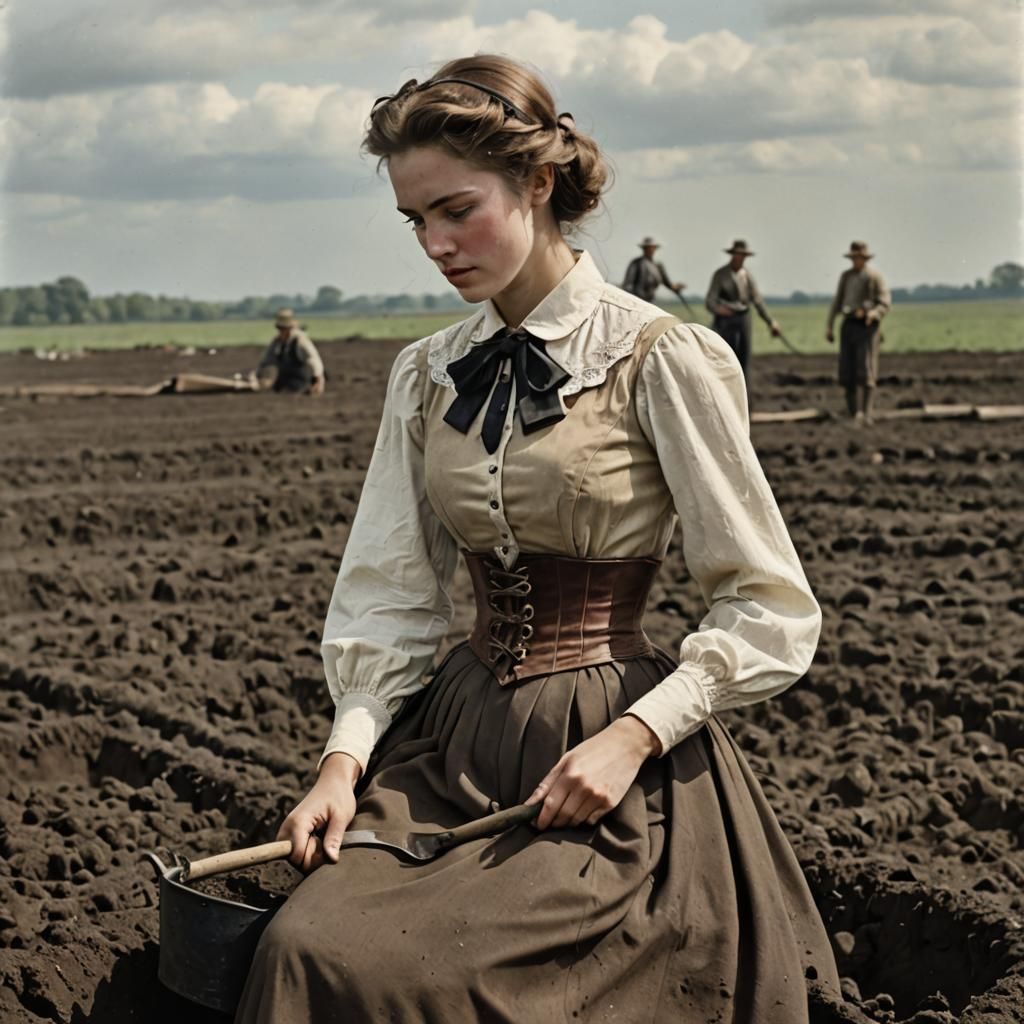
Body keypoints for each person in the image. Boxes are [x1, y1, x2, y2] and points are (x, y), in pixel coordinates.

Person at [237, 55, 840, 1023]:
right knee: (306, 946)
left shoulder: (660, 356)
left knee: (427, 978)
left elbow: (767, 603)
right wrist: (342, 764)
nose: (435, 242)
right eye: (414, 220)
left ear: (538, 183)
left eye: (456, 209)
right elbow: (390, 591)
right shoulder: (427, 374)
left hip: (609, 753)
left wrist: (632, 737)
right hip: (456, 740)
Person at [826, 241, 891, 424]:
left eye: (859, 258)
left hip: (867, 327)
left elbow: (885, 302)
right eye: (854, 257)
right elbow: (837, 302)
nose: (856, 260)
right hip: (848, 324)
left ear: (865, 259)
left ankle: (867, 413)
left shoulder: (874, 277)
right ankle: (853, 412)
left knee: (866, 369)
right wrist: (829, 326)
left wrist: (873, 314)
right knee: (847, 370)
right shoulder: (846, 277)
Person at [706, 239, 781, 378]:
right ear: (732, 255)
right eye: (738, 254)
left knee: (744, 359)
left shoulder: (747, 276)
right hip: (725, 321)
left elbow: (758, 301)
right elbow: (710, 301)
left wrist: (771, 322)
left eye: (743, 255)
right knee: (725, 357)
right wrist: (720, 310)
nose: (741, 258)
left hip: (744, 319)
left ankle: (745, 395)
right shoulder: (720, 275)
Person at [253, 308, 325, 394]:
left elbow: (313, 359)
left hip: (300, 381)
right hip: (284, 380)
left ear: (289, 328)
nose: (281, 331)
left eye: (283, 328)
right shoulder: (277, 342)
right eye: (279, 328)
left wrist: (317, 378)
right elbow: (266, 360)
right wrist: (257, 375)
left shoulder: (300, 340)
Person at [622, 236, 685, 302]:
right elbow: (627, 284)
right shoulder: (636, 263)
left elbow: (668, 283)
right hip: (637, 299)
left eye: (652, 248)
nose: (650, 250)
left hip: (651, 300)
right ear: (644, 249)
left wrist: (676, 288)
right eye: (648, 248)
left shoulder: (658, 265)